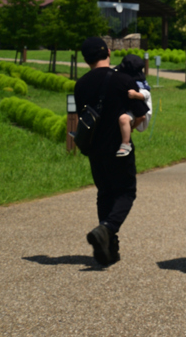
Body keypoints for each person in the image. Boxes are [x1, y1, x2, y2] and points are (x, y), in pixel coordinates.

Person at [74, 37, 147, 267]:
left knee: (104, 193)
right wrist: (129, 128)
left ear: (86, 59)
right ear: (108, 52)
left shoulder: (80, 84)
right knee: (126, 192)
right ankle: (107, 228)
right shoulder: (123, 80)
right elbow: (141, 114)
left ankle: (108, 249)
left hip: (94, 148)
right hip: (119, 147)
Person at [114, 53, 152, 157]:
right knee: (123, 119)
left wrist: (136, 95)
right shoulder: (132, 79)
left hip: (144, 113)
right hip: (133, 110)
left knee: (124, 119)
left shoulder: (140, 83)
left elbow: (146, 94)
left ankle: (126, 144)